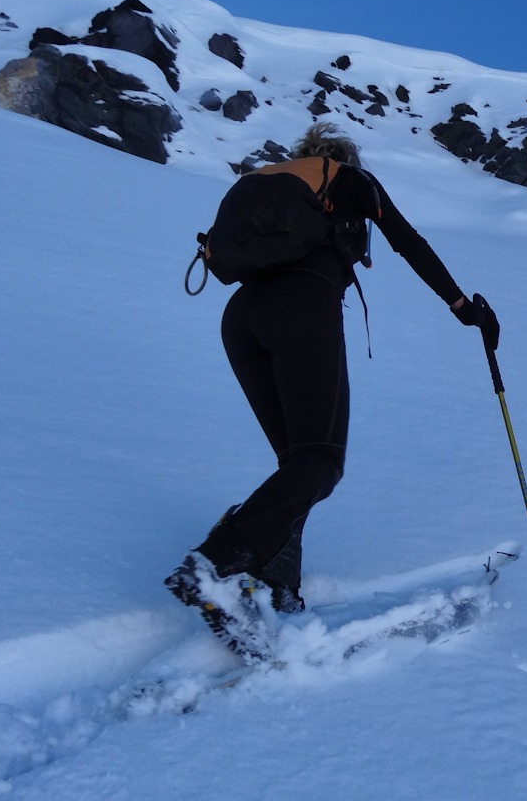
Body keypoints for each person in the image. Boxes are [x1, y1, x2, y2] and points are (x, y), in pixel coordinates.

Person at [166, 122, 500, 618]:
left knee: (297, 465)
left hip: (241, 320)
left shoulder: (271, 180)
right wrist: (462, 308)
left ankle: (274, 584)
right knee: (320, 462)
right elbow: (408, 241)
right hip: (301, 307)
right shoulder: (347, 179)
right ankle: (213, 567)